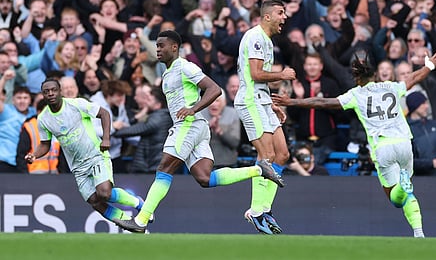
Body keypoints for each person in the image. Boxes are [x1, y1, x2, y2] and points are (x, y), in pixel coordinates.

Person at [112, 30, 282, 233]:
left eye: (161, 46)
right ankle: (259, 169)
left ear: (174, 47)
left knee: (164, 169)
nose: (157, 50)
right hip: (197, 127)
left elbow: (214, 89)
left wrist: (193, 108)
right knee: (205, 178)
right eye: (156, 46)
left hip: (188, 125)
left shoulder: (185, 66)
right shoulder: (168, 72)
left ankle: (141, 220)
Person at [273, 51, 436, 238]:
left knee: (396, 199)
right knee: (408, 193)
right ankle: (418, 232)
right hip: (404, 143)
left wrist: (292, 102)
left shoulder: (356, 94)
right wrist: (429, 66)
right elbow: (413, 78)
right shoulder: (391, 86)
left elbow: (322, 102)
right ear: (375, 76)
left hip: (383, 147)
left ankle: (403, 189)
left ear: (357, 79)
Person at [25, 78, 148, 225]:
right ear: (43, 95)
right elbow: (45, 145)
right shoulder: (43, 118)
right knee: (94, 201)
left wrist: (106, 138)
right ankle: (127, 221)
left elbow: (104, 113)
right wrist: (34, 155)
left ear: (60, 91)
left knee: (104, 193)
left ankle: (138, 203)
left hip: (95, 155)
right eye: (46, 92)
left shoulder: (76, 104)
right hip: (77, 166)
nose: (50, 93)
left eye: (53, 90)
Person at [235, 0, 296, 235]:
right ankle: (255, 210)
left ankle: (263, 208)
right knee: (267, 155)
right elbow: (256, 73)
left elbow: (258, 79)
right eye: (281, 13)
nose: (285, 18)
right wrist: (283, 74)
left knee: (282, 154)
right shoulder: (255, 37)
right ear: (267, 16)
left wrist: (271, 102)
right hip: (250, 102)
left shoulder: (267, 41)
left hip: (261, 101)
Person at [406, 91, 436, 176]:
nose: (427, 106)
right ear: (414, 106)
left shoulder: (435, 124)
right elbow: (407, 161)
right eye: (423, 103)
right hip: (424, 181)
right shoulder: (406, 130)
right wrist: (431, 163)